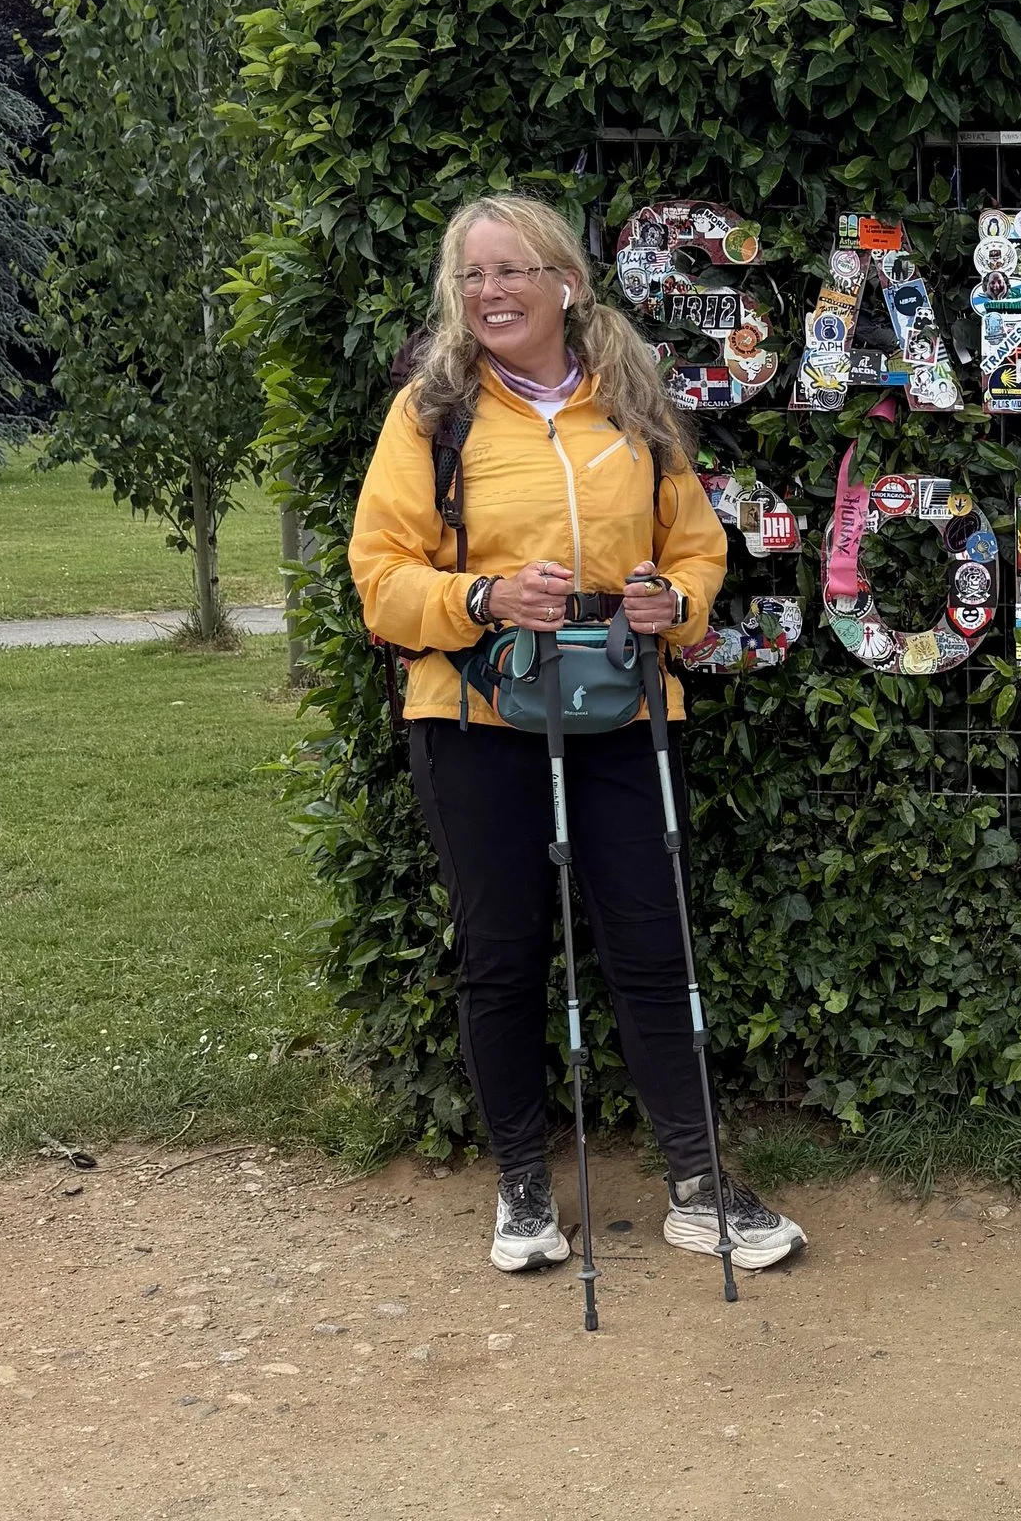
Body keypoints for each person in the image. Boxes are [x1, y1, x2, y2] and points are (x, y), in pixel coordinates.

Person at [350, 193, 806, 1275]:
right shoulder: (432, 415)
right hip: (474, 717)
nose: (491, 293)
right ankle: (519, 1186)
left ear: (567, 283)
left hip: (624, 713)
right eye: (472, 276)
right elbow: (380, 578)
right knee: (502, 952)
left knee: (654, 947)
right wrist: (486, 598)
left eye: (513, 271)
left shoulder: (635, 410)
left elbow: (695, 553)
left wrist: (671, 607)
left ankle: (699, 1184)